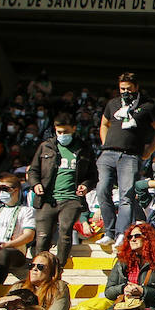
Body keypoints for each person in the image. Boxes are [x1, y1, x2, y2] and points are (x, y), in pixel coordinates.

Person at [96, 73, 155, 249]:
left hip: (130, 155)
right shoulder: (113, 103)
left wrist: (149, 150)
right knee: (102, 190)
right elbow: (104, 124)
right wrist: (105, 142)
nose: (125, 92)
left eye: (129, 89)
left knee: (126, 195)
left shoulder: (148, 105)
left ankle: (121, 233)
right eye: (122, 88)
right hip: (108, 154)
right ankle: (108, 232)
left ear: (136, 87)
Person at [29, 114, 95, 266]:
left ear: (73, 129)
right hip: (47, 199)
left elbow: (93, 175)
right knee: (43, 237)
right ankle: (41, 268)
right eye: (59, 132)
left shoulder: (84, 148)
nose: (62, 135)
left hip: (71, 199)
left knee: (65, 232)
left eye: (65, 132)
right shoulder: (45, 147)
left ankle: (59, 268)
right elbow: (33, 170)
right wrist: (35, 184)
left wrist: (85, 185)